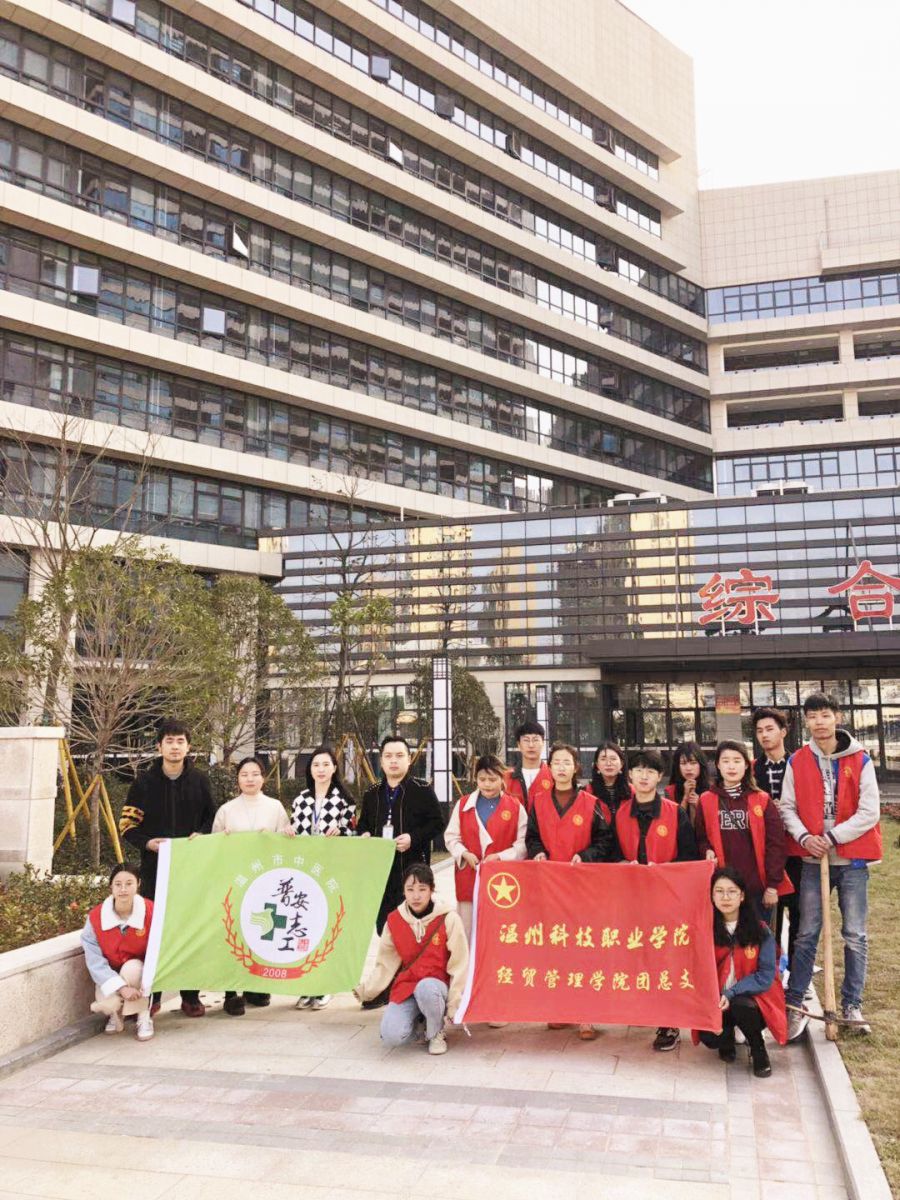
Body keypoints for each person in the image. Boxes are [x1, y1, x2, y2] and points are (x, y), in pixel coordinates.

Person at [778, 693, 882, 1040]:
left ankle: (852, 1005)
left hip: (851, 861)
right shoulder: (798, 760)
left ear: (837, 717)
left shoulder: (860, 759)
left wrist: (832, 837)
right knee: (807, 933)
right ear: (806, 722)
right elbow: (787, 807)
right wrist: (806, 838)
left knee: (854, 935)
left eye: (825, 715)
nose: (819, 722)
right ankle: (796, 1004)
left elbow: (869, 812)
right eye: (812, 716)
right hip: (812, 860)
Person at [119, 718, 215, 1017]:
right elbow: (127, 825)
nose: (175, 747)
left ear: (189, 747)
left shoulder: (200, 781)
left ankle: (190, 995)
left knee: (189, 929)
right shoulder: (143, 783)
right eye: (169, 741)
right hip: (154, 869)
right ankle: (154, 994)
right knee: (154, 931)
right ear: (159, 746)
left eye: (180, 741)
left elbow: (212, 818)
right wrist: (148, 843)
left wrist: (201, 835)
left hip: (191, 870)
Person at [526, 741, 616, 1041]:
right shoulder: (538, 801)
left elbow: (605, 841)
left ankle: (587, 1014)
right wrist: (537, 851)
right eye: (556, 763)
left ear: (576, 767)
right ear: (549, 768)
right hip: (550, 888)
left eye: (567, 762)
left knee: (584, 949)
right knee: (556, 949)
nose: (561, 768)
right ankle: (561, 1008)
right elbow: (532, 837)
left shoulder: (591, 803)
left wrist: (585, 856)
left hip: (583, 889)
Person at [618, 749, 699, 1053]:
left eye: (650, 771)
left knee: (666, 959)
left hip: (667, 900)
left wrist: (663, 871)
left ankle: (669, 1022)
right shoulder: (620, 813)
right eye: (638, 770)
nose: (643, 776)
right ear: (630, 776)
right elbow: (611, 853)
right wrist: (622, 865)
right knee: (637, 956)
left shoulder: (674, 813)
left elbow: (689, 856)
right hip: (631, 900)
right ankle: (643, 1009)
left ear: (659, 777)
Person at [355, 864, 468, 1056]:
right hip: (408, 986)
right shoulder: (394, 920)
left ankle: (435, 1033)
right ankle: (421, 1025)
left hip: (437, 987)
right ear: (404, 891)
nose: (416, 896)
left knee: (427, 988)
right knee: (391, 1036)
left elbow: (460, 962)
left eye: (422, 889)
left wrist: (455, 1002)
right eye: (410, 890)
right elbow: (385, 964)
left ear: (432, 890)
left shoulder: (448, 918)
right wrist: (367, 990)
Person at [213, 756, 294, 1017]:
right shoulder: (226, 810)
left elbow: (285, 842)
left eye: (255, 773)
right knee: (233, 932)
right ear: (237, 779)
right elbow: (213, 846)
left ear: (263, 777)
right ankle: (231, 993)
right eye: (244, 774)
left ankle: (257, 985)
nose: (250, 778)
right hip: (234, 881)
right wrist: (222, 839)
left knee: (261, 932)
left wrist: (285, 835)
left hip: (264, 882)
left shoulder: (275, 807)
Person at [693, 868, 787, 1078]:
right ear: (711, 896)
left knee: (741, 1004)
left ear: (742, 896)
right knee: (710, 1038)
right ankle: (726, 1039)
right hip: (717, 1000)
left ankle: (758, 1048)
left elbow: (765, 977)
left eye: (732, 891)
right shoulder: (704, 930)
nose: (725, 897)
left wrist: (732, 992)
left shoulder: (760, 931)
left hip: (753, 1001)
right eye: (719, 891)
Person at [357, 735, 445, 942]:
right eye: (388, 756)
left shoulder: (422, 790)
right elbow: (363, 825)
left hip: (412, 869)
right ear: (381, 761)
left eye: (399, 755)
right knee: (384, 927)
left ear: (409, 759)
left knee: (414, 928)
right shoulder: (372, 793)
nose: (393, 761)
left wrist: (413, 838)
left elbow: (437, 823)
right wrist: (364, 834)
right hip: (381, 872)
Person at [291, 745, 357, 1011]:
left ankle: (325, 984)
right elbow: (294, 832)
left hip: (331, 871)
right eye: (316, 765)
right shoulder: (301, 799)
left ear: (334, 768)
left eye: (326, 764)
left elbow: (354, 833)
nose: (320, 769)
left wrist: (341, 831)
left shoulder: (345, 800)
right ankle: (306, 984)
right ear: (310, 769)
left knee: (328, 926)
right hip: (306, 872)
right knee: (304, 926)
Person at [695, 740, 789, 916]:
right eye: (726, 761)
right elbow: (700, 837)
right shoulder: (706, 800)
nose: (731, 766)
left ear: (746, 765)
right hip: (721, 888)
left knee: (757, 932)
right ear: (718, 765)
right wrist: (706, 849)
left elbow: (776, 844)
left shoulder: (762, 799)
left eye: (737, 760)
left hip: (756, 887)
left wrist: (772, 886)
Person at [444, 753, 527, 940]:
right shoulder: (463, 805)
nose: (487, 784)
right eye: (482, 779)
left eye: (492, 779)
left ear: (502, 778)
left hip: (502, 880)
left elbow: (523, 844)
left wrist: (500, 856)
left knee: (499, 931)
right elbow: (451, 837)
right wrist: (464, 853)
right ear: (476, 779)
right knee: (467, 929)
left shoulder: (515, 807)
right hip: (469, 875)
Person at [81, 863, 154, 1042]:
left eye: (129, 883)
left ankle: (143, 1016)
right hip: (109, 972)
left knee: (133, 969)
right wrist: (121, 988)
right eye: (118, 884)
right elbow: (95, 961)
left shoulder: (151, 912)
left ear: (138, 884)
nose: (123, 889)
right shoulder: (96, 918)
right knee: (106, 1003)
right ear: (111, 887)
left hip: (139, 971)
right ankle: (116, 1014)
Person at [751, 708, 799, 972]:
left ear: (783, 731)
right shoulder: (752, 769)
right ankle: (771, 970)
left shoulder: (799, 764)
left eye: (769, 729)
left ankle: (797, 972)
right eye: (759, 731)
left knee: (799, 912)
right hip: (765, 851)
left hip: (797, 849)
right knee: (770, 913)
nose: (764, 735)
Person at [504, 720, 553, 812]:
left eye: (535, 740)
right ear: (519, 745)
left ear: (543, 743)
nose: (531, 745)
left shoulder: (553, 776)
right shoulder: (506, 778)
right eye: (526, 740)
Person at [664, 742, 709, 828]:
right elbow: (671, 823)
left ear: (701, 764)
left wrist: (699, 805)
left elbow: (714, 823)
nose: (688, 768)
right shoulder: (670, 791)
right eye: (683, 763)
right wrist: (685, 798)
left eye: (693, 763)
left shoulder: (711, 790)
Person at [587, 741, 632, 821]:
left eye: (613, 759)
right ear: (597, 765)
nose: (608, 763)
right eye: (603, 759)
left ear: (621, 764)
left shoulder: (633, 792)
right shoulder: (587, 793)